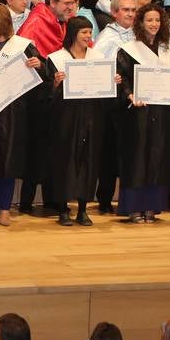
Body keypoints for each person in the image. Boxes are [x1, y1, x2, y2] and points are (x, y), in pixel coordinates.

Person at [0, 2, 46, 225]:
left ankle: (4, 208)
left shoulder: (23, 46)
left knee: (8, 161)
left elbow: (41, 77)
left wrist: (39, 65)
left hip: (14, 112)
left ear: (1, 21)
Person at [115, 3, 170, 223]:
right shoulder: (129, 49)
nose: (154, 24)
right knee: (137, 158)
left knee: (158, 158)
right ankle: (134, 207)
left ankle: (152, 207)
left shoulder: (168, 50)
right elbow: (121, 77)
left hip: (162, 113)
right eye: (149, 20)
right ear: (140, 23)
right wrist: (129, 95)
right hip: (138, 112)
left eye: (157, 20)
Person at [48, 17, 113, 226]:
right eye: (84, 32)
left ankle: (83, 209)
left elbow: (105, 93)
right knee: (65, 161)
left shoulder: (98, 57)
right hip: (66, 119)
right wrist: (56, 84)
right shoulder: (57, 59)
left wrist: (113, 82)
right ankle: (63, 209)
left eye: (90, 32)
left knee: (89, 161)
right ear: (74, 33)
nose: (88, 36)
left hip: (92, 117)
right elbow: (46, 97)